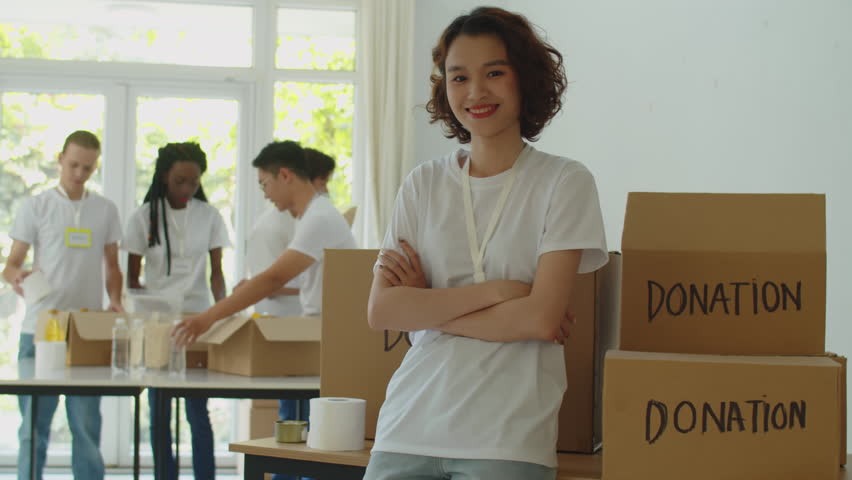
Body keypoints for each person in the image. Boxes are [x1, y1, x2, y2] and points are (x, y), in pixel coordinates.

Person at [363, 7, 608, 480]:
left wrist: (428, 307)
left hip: (506, 439)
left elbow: (540, 319)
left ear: (526, 78)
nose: (475, 92)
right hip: (406, 425)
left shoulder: (564, 182)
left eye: (494, 72)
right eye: (459, 77)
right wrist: (502, 292)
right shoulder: (423, 184)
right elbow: (382, 312)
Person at [2, 130, 123, 480]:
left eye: (87, 167)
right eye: (73, 165)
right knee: (34, 427)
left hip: (86, 331)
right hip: (39, 329)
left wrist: (115, 300)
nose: (79, 174)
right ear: (60, 159)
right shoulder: (36, 206)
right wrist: (17, 277)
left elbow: (112, 265)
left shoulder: (104, 210)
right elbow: (11, 265)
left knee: (86, 427)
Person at [172, 140, 356, 345]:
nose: (265, 194)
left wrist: (206, 318)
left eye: (264, 183)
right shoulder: (308, 216)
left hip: (329, 331)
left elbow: (274, 278)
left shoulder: (318, 218)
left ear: (285, 176)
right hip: (320, 326)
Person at [121, 142, 230, 480]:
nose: (187, 188)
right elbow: (131, 277)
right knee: (159, 411)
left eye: (194, 182)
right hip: (157, 324)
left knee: (198, 411)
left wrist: (223, 312)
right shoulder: (143, 217)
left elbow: (217, 273)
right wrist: (141, 312)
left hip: (198, 320)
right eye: (180, 180)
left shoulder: (209, 215)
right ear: (164, 176)